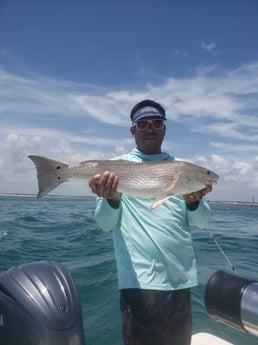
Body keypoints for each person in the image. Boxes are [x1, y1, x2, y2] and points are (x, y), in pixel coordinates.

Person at [88, 99, 213, 345]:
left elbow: (202, 222)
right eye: (142, 123)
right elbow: (103, 223)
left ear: (164, 129)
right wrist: (112, 198)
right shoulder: (115, 169)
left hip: (180, 281)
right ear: (133, 130)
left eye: (157, 122)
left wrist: (193, 202)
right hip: (139, 282)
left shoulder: (183, 169)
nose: (150, 128)